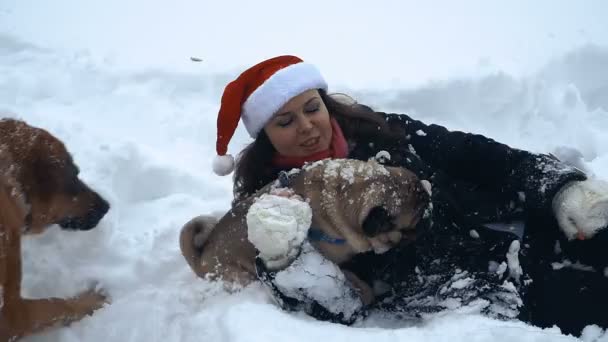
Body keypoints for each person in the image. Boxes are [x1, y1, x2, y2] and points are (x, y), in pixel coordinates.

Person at [210, 55, 608, 335]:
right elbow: (336, 306)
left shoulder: (382, 131)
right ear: (265, 135)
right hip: (479, 287)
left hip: (522, 223)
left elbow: (477, 155)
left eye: (312, 108)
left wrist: (560, 187)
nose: (308, 126)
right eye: (285, 121)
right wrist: (283, 259)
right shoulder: (272, 208)